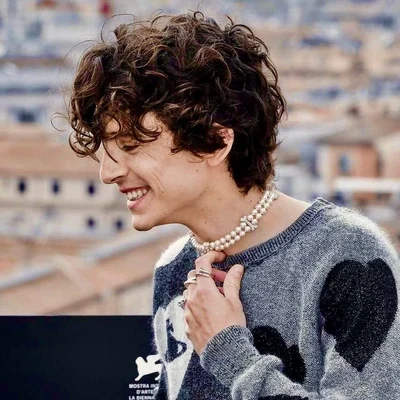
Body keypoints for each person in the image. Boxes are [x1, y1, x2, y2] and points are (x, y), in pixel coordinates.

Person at [66, 11, 400, 400]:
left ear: (215, 143)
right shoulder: (174, 269)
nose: (107, 173)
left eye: (130, 146)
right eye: (105, 152)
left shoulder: (348, 256)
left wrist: (228, 352)